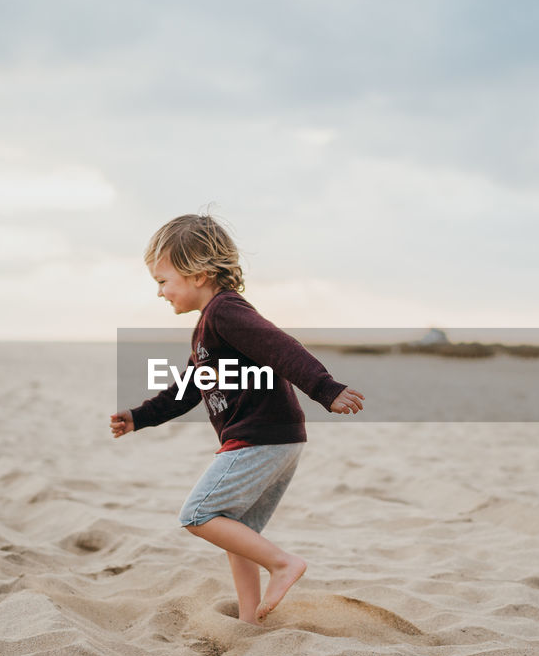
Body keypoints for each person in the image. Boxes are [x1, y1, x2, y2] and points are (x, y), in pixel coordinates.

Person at [110, 214, 364, 625]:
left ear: (200, 273)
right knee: (235, 530)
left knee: (198, 515)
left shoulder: (225, 312)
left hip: (260, 437)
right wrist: (140, 417)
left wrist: (324, 388)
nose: (159, 292)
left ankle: (282, 564)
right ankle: (251, 619)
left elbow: (279, 346)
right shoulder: (208, 327)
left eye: (162, 280)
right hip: (277, 438)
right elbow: (189, 388)